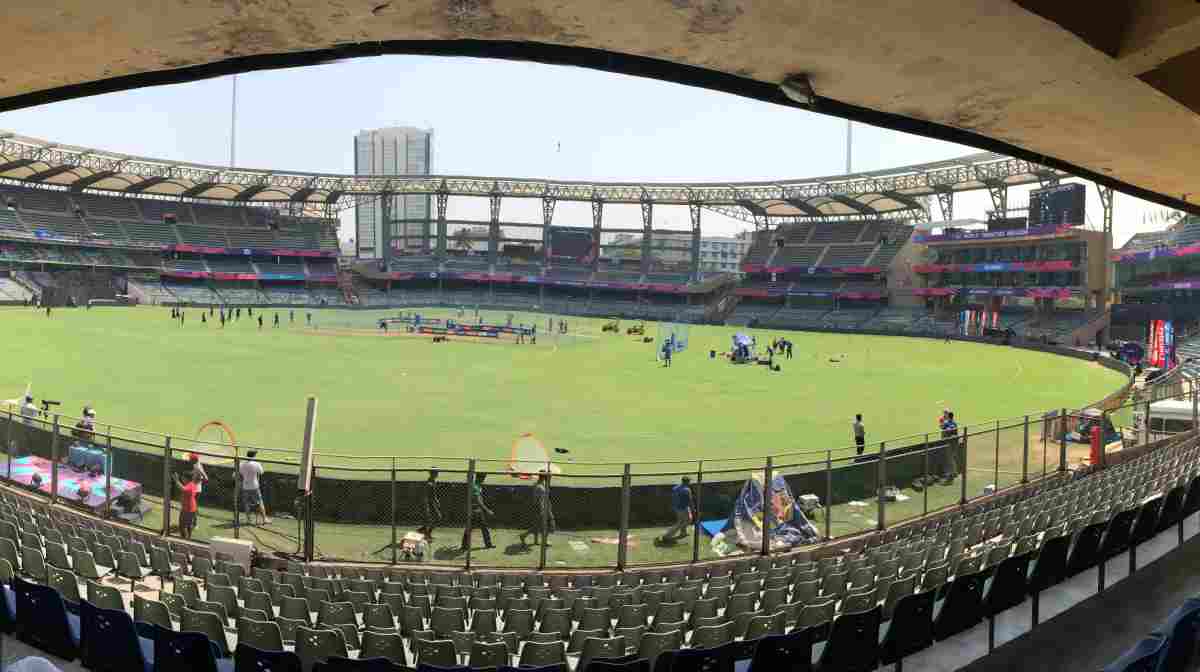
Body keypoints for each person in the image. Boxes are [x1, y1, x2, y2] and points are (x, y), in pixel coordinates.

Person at [460, 472, 495, 551]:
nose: (484, 480)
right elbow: (478, 501)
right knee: (472, 528)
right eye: (483, 478)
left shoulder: (477, 485)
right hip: (475, 511)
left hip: (477, 510)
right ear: (481, 478)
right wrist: (487, 510)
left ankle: (487, 544)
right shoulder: (475, 487)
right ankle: (464, 546)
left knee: (482, 527)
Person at [519, 472, 555, 548]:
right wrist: (542, 509)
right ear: (544, 477)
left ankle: (533, 540)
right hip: (541, 508)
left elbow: (544, 495)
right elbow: (538, 499)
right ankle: (524, 536)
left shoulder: (540, 484)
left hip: (542, 507)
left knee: (537, 526)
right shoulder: (539, 487)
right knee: (544, 525)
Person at [237, 450, 271, 525]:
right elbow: (261, 472)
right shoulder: (256, 464)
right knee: (260, 502)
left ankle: (248, 520)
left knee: (247, 503)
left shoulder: (242, 464)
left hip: (245, 486)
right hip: (254, 486)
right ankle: (264, 519)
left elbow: (240, 474)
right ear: (254, 456)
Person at [657, 476, 694, 543]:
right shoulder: (687, 490)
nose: (690, 483)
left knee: (683, 520)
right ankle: (667, 535)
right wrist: (693, 509)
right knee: (684, 522)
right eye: (689, 481)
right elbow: (690, 500)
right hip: (683, 508)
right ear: (687, 482)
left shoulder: (675, 488)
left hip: (677, 507)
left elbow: (673, 497)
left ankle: (683, 533)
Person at [172, 471, 200, 539]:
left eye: (183, 477)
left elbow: (183, 489)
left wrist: (176, 480)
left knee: (183, 526)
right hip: (189, 508)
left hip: (188, 509)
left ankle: (185, 539)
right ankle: (187, 538)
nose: (182, 478)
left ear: (186, 478)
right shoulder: (190, 484)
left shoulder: (190, 485)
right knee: (187, 525)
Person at [419, 469, 442, 542]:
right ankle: (426, 532)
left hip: (431, 503)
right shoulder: (429, 483)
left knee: (436, 518)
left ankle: (425, 531)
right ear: (433, 473)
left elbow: (433, 495)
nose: (437, 474)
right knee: (436, 517)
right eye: (436, 472)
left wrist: (436, 501)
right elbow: (426, 495)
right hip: (428, 503)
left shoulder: (432, 481)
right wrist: (426, 505)